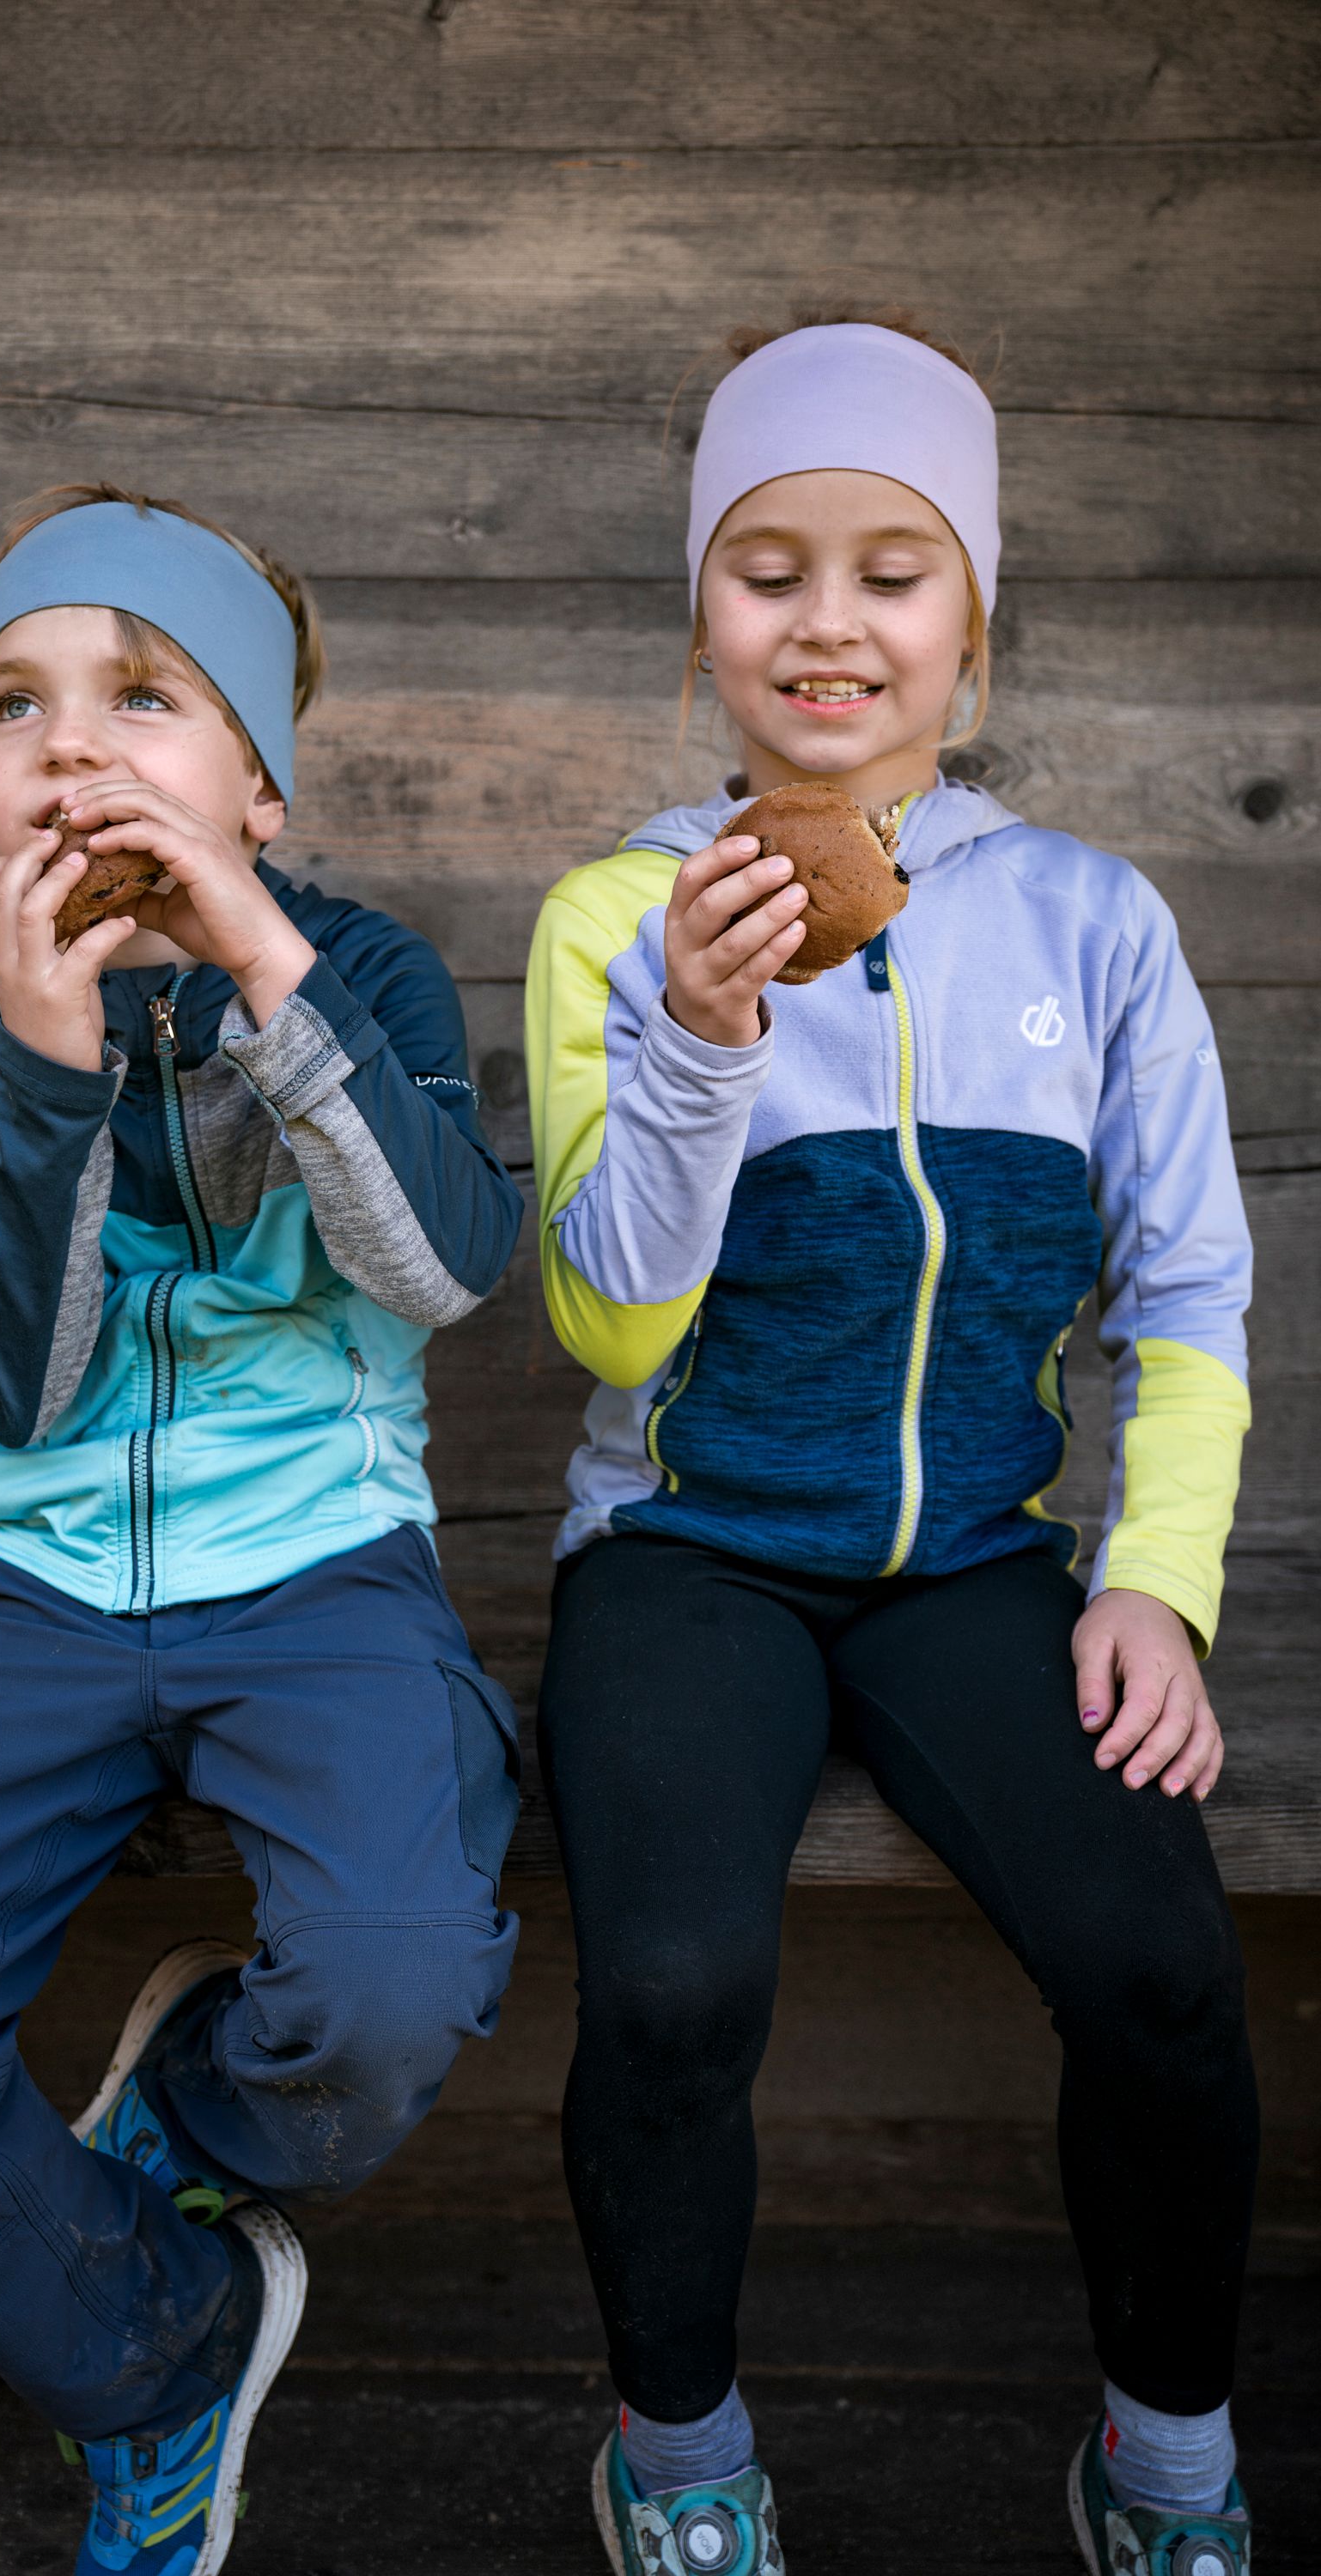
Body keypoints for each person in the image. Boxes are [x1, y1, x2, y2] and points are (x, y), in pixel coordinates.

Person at [526, 318, 1257, 2576]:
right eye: (766, 567)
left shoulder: (1095, 926)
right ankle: (681, 2466)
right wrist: (697, 1041)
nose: (827, 622)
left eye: (890, 568)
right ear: (702, 613)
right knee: (665, 1989)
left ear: (973, 612)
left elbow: (1193, 1298)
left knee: (1159, 1967)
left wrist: (1157, 1575)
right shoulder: (615, 916)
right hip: (691, 1550)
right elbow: (604, 1312)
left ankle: (1167, 2471)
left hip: (978, 1561)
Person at [0, 483, 526, 2575]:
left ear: (255, 784)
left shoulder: (359, 972)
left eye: (141, 696)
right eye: (17, 703)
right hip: (37, 1595)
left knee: (381, 1986)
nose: (70, 742)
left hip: (323, 1578)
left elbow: (445, 1269)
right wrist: (48, 1063)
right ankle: (162, 2340)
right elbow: (8, 1378)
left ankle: (188, 2123)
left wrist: (269, 980)